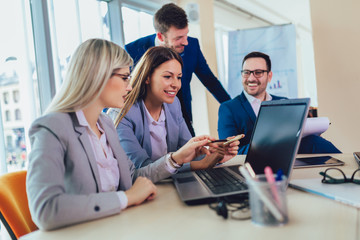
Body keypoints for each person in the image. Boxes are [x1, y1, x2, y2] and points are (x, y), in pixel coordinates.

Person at [26, 39, 219, 231]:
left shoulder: (105, 124)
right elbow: (45, 209)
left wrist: (175, 160)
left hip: (120, 227)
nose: (130, 86)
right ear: (98, 76)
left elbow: (134, 176)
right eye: (125, 78)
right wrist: (125, 198)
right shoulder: (51, 127)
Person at [109, 46, 239, 172]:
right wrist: (198, 165)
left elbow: (187, 151)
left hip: (169, 183)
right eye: (167, 76)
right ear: (147, 77)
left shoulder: (173, 104)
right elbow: (141, 168)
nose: (176, 84)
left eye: (179, 77)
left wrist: (216, 155)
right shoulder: (123, 113)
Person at [125, 3, 231, 136]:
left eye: (186, 34)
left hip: (182, 114)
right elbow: (127, 89)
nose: (185, 42)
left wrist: (232, 108)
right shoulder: (134, 50)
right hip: (146, 120)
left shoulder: (192, 45)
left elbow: (210, 81)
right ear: (160, 37)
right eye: (179, 38)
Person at [218, 51, 341, 154]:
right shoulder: (228, 108)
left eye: (258, 72)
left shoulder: (284, 102)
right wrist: (272, 140)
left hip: (292, 161)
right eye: (246, 72)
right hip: (256, 169)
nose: (251, 78)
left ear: (269, 76)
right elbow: (229, 153)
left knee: (314, 141)